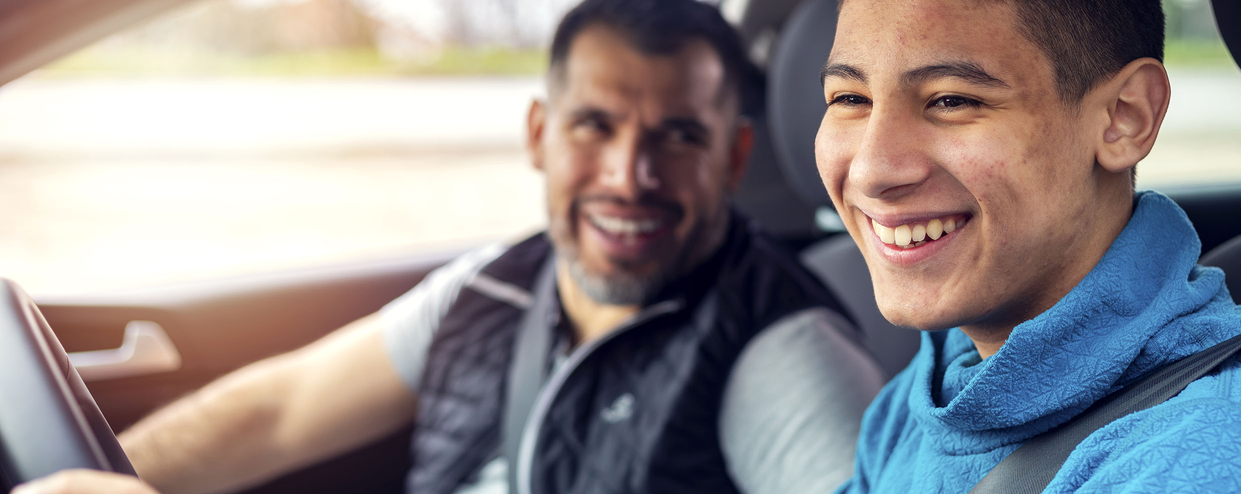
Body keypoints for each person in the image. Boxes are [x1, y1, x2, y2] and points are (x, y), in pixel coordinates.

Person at [12, 1, 885, 493]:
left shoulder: (779, 352)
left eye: (678, 138)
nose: (630, 174)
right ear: (539, 135)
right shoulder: (497, 286)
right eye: (594, 125)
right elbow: (272, 413)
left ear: (732, 157)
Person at [815, 0, 1241, 492]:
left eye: (953, 100)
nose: (871, 170)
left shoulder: (1212, 463)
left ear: (1125, 117)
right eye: (850, 99)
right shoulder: (928, 389)